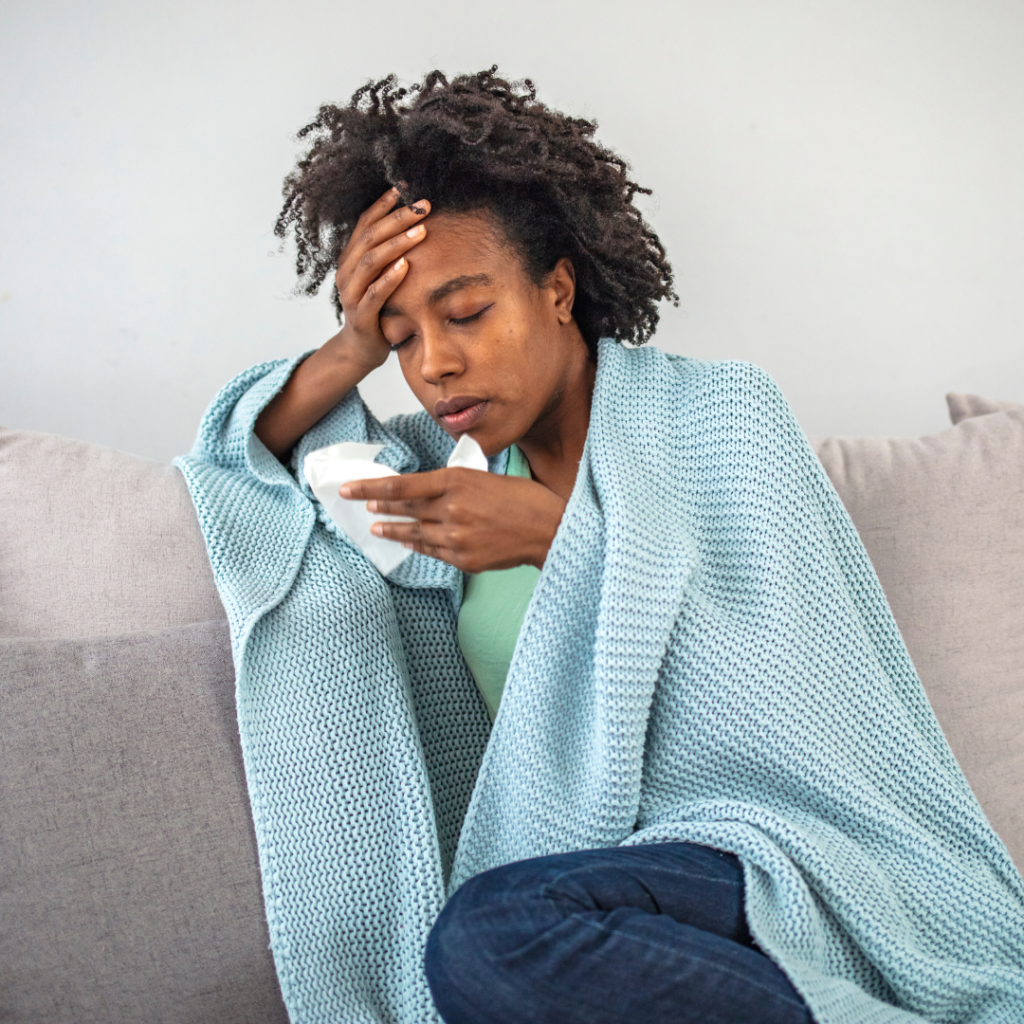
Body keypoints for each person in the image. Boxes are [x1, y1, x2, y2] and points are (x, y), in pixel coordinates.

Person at [177, 69, 1024, 1024]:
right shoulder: (444, 482)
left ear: (557, 289)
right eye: (402, 336)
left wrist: (558, 540)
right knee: (484, 947)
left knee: (492, 935)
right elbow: (242, 463)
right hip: (608, 902)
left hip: (776, 862)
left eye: (463, 314)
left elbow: (805, 712)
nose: (435, 364)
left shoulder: (720, 419)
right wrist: (347, 349)